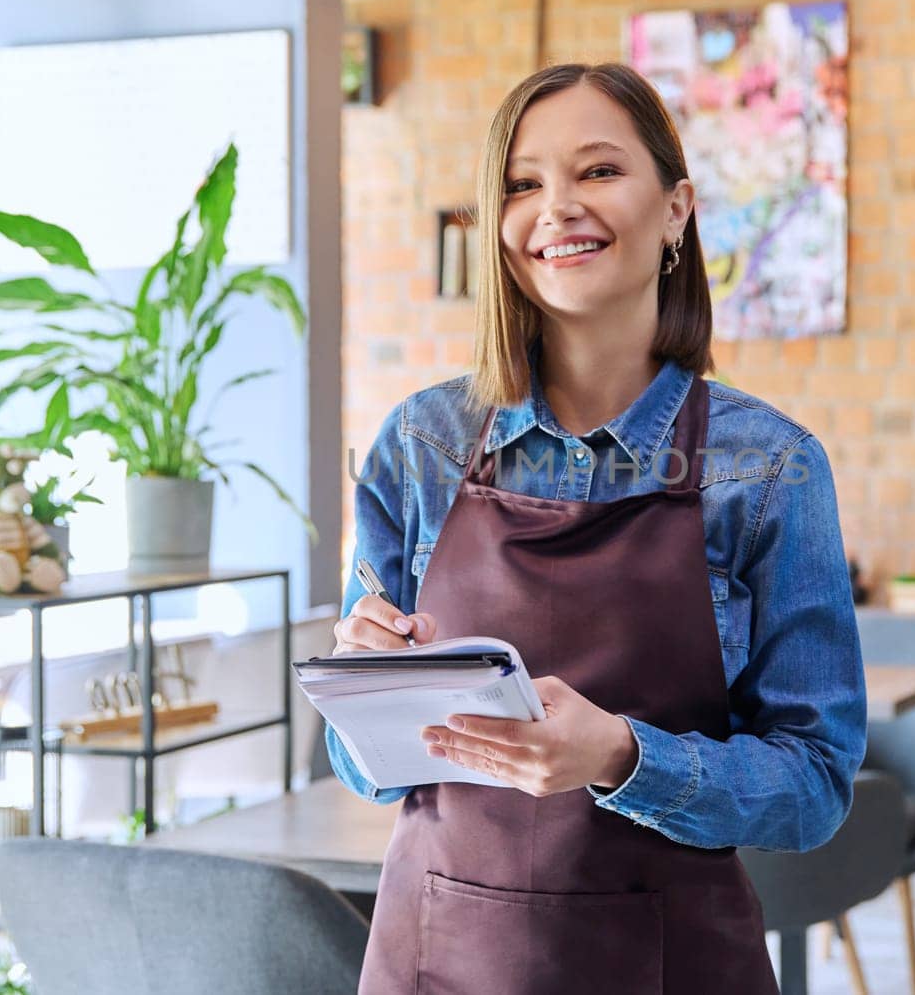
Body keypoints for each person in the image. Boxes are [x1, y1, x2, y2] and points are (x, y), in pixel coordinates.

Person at [328, 61, 866, 994]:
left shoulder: (768, 467)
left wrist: (622, 756)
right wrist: (363, 682)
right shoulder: (420, 443)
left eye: (599, 171)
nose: (558, 207)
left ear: (676, 208)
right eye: (524, 183)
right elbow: (359, 766)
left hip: (676, 962)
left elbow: (815, 786)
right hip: (441, 957)